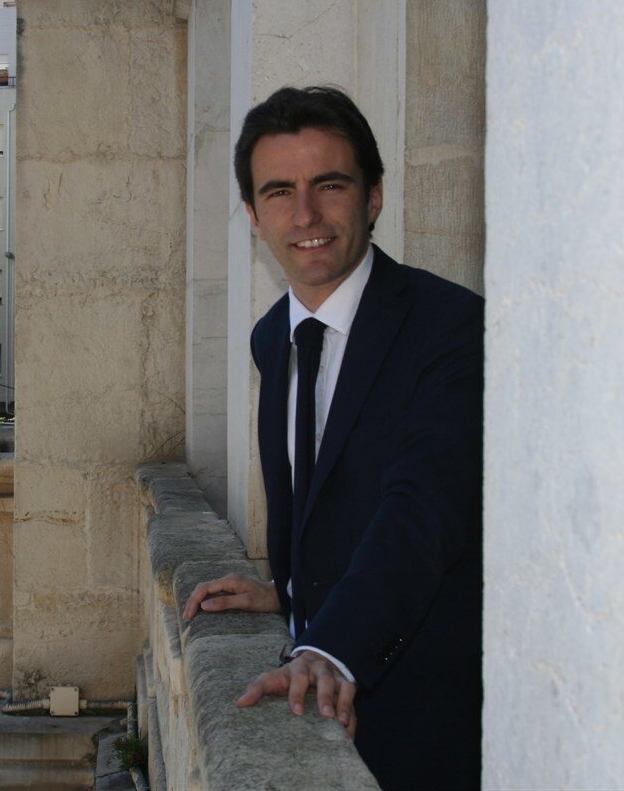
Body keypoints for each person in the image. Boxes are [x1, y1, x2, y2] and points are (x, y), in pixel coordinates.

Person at [182, 86, 483, 790]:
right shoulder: (272, 339)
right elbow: (320, 497)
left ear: (373, 197)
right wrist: (292, 590)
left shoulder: (453, 331)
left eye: (330, 185)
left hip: (429, 723)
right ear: (254, 217)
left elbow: (422, 511)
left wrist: (334, 647)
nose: (306, 215)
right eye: (279, 192)